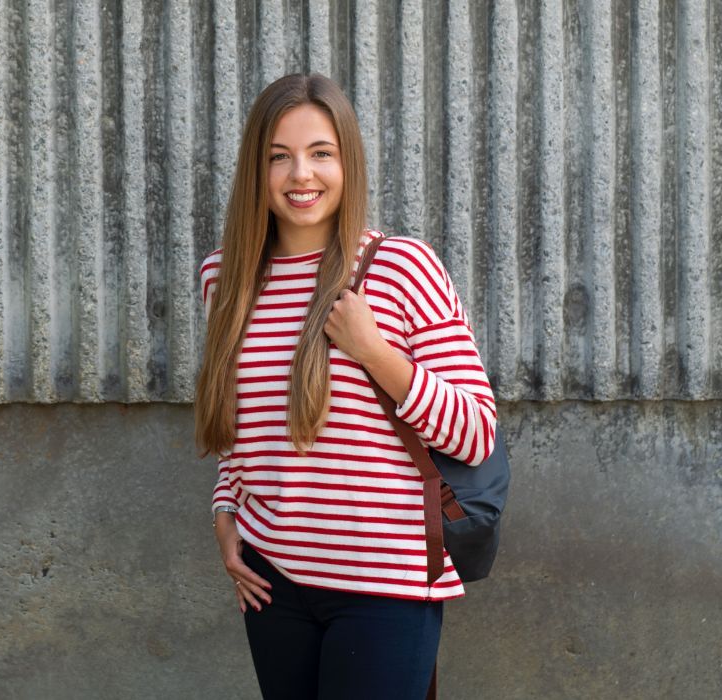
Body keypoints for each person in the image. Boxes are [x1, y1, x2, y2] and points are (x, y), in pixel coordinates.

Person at [195, 73, 498, 699]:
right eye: (279, 156)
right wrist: (226, 513)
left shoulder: (401, 268)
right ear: (257, 169)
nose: (300, 174)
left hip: (384, 589)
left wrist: (373, 350)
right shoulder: (223, 280)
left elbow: (474, 433)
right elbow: (240, 428)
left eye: (320, 153)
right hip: (272, 579)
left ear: (347, 161)